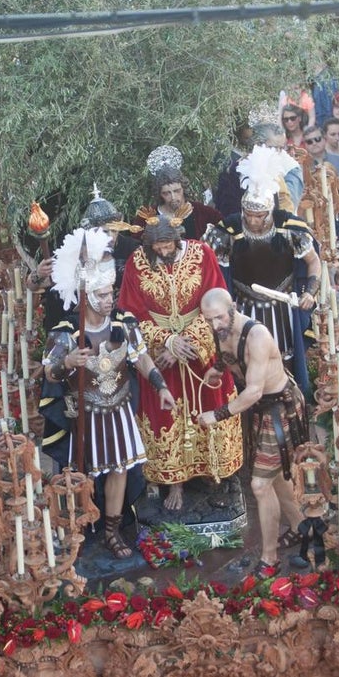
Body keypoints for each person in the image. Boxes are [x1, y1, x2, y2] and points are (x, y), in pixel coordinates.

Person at [44, 226, 174, 556]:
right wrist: (68, 361)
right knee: (82, 472)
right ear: (85, 296)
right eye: (101, 296)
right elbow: (49, 371)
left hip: (118, 409)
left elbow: (140, 357)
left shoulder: (123, 323)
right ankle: (83, 526)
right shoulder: (66, 333)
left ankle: (113, 530)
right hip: (85, 415)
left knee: (119, 469)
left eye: (110, 294)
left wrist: (160, 385)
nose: (108, 301)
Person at [117, 175, 242, 511]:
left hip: (201, 347)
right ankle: (175, 482)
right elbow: (131, 313)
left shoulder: (202, 254)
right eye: (156, 248)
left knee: (210, 406)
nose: (163, 252)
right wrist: (166, 341)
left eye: (167, 247)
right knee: (165, 415)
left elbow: (219, 301)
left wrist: (191, 339)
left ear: (177, 239)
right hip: (161, 353)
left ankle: (219, 474)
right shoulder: (136, 264)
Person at [200, 287, 307, 578]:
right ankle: (301, 528)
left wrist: (217, 414)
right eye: (208, 320)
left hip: (279, 407)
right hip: (260, 409)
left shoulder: (258, 336)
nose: (214, 325)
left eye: (219, 318)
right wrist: (218, 369)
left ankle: (269, 558)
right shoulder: (219, 329)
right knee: (278, 480)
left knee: (260, 485)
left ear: (232, 308)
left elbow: (253, 391)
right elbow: (229, 355)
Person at [208, 144, 321, 390]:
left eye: (259, 216)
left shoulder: (288, 228)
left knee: (284, 364)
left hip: (281, 306)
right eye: (248, 214)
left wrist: (310, 292)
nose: (252, 220)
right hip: (243, 306)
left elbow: (313, 262)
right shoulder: (230, 230)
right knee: (245, 364)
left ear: (270, 212)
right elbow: (217, 272)